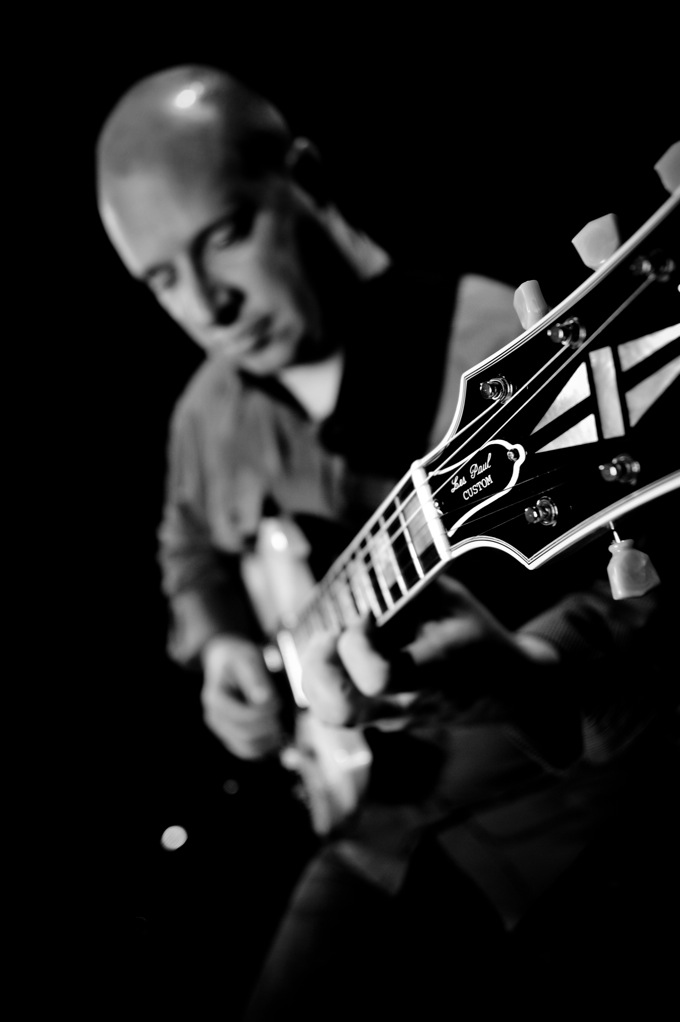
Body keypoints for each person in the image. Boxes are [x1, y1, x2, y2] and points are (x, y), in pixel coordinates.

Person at [96, 65, 678, 1019]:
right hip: (357, 819)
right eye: (163, 280)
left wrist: (523, 674)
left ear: (308, 181)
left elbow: (655, 642)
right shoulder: (206, 411)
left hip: (545, 832)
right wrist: (219, 646)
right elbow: (187, 551)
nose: (209, 306)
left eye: (227, 237)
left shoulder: (495, 354)